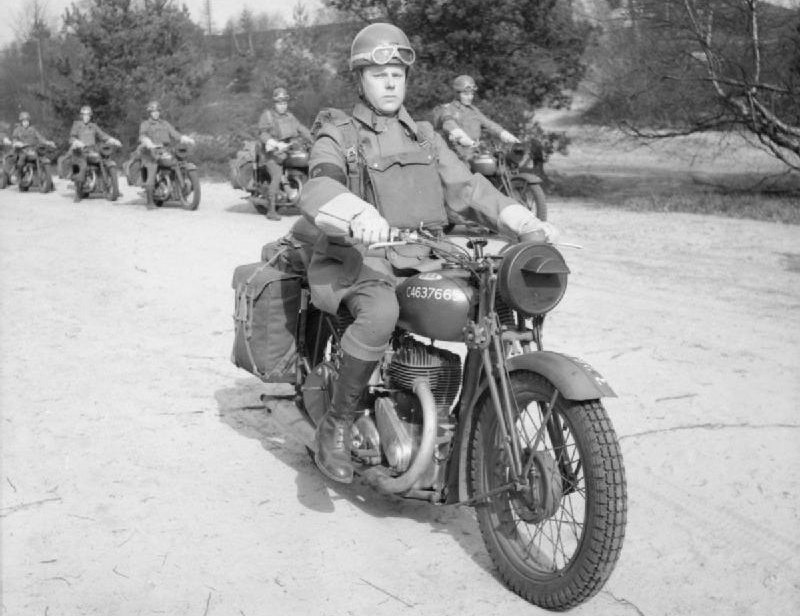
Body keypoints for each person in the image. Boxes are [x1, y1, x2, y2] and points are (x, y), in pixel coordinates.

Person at [297, 22, 558, 484]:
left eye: (398, 72)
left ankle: (472, 425)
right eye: (380, 74)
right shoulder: (337, 131)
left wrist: (520, 220)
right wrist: (356, 213)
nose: (391, 81)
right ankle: (335, 426)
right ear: (360, 78)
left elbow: (468, 186)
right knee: (380, 312)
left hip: (424, 253)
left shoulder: (422, 135)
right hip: (359, 255)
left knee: (494, 300)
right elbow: (319, 184)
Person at [257, 87, 313, 220]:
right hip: (270, 154)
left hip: (286, 151)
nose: (282, 106)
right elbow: (262, 134)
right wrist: (274, 143)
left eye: (284, 103)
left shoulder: (289, 116)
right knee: (276, 175)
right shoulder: (268, 116)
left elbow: (300, 128)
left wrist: (313, 138)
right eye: (279, 103)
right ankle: (271, 210)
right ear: (274, 103)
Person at [439, 74, 520, 162]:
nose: (470, 97)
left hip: (475, 153)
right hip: (457, 156)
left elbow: (489, 125)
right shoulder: (447, 109)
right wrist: (468, 141)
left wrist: (507, 136)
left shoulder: (473, 110)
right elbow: (452, 128)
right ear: (457, 93)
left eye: (472, 94)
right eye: (466, 94)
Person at [138, 101, 194, 205]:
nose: (156, 113)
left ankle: (179, 188)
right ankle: (150, 202)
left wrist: (185, 139)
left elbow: (174, 134)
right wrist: (148, 142)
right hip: (151, 153)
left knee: (177, 162)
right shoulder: (145, 124)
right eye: (153, 111)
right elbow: (142, 136)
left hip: (165, 150)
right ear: (149, 113)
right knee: (152, 169)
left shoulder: (164, 123)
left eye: (158, 111)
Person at [69, 105, 122, 201]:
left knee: (104, 161)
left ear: (90, 116)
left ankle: (113, 188)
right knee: (83, 166)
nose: (86, 117)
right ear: (81, 116)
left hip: (92, 150)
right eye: (84, 115)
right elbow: (72, 137)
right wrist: (77, 142)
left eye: (88, 115)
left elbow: (102, 135)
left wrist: (113, 140)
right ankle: (78, 192)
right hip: (80, 152)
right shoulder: (76, 125)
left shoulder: (93, 126)